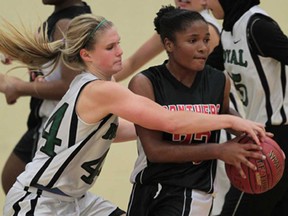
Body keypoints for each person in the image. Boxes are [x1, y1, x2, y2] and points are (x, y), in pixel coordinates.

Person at [0, 13, 267, 215]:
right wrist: (230, 120)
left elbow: (124, 130)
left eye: (119, 43)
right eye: (110, 47)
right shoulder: (101, 90)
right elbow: (168, 120)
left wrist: (183, 131)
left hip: (74, 200)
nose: (120, 51)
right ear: (86, 55)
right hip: (40, 200)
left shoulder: (95, 86)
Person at [126, 6, 267, 216]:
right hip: (148, 189)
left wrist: (260, 142)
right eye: (193, 41)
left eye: (206, 40)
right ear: (169, 44)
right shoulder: (145, 83)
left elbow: (229, 117)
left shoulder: (219, 81)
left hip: (193, 192)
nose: (203, 47)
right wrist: (219, 150)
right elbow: (155, 151)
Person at [0, 0, 92, 194]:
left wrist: (19, 87)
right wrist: (18, 54)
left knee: (19, 187)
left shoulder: (67, 23)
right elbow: (53, 63)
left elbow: (69, 84)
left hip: (54, 127)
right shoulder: (64, 17)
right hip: (49, 122)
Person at [206, 0, 288, 215]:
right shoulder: (229, 31)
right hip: (263, 131)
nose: (205, 2)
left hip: (277, 133)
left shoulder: (257, 26)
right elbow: (203, 72)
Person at [115, 0, 221, 81]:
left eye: (193, 40)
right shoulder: (175, 25)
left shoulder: (208, 29)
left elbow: (211, 79)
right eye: (192, 40)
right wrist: (99, 80)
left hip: (211, 102)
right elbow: (133, 63)